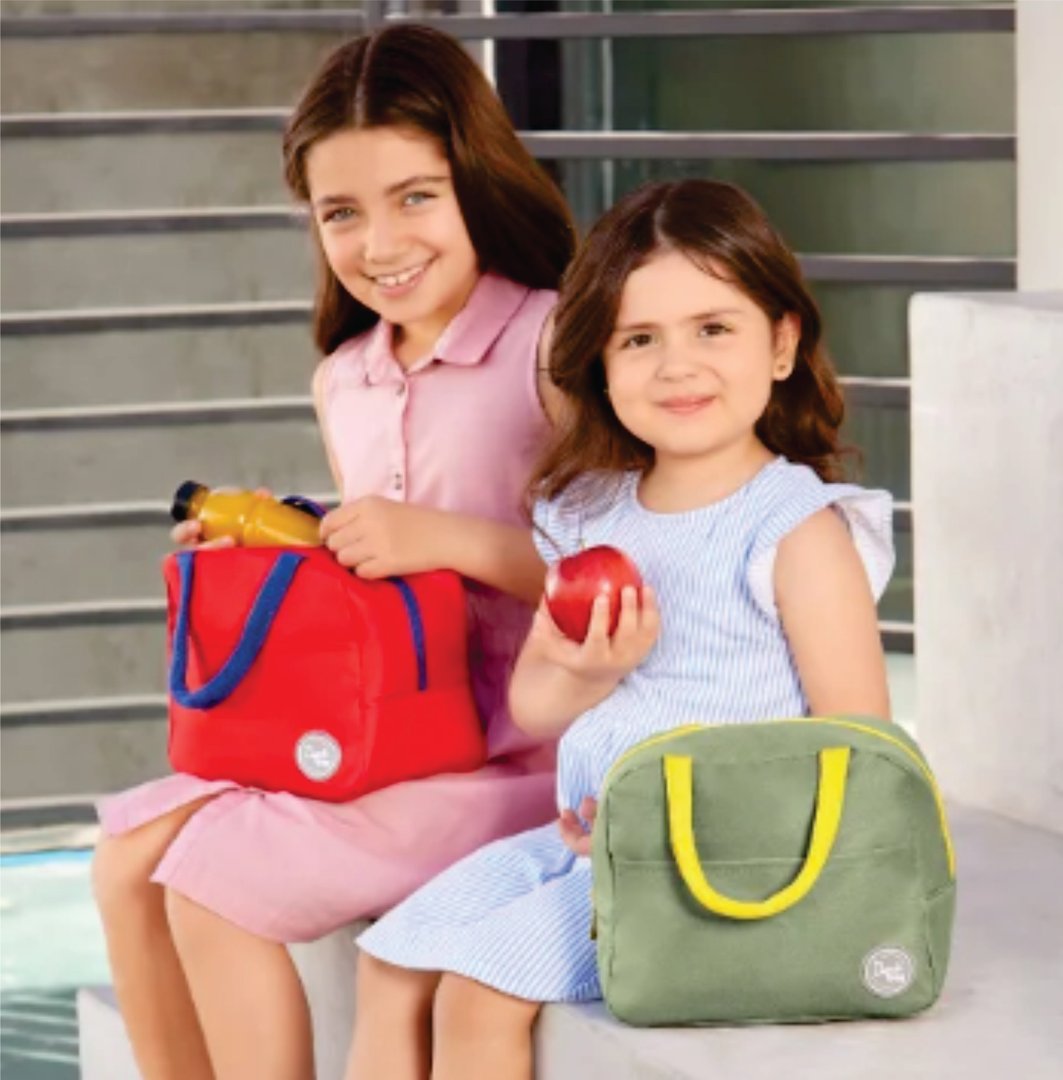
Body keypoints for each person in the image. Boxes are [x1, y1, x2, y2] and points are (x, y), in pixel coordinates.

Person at [91, 25, 575, 1080]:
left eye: (414, 196)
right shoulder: (344, 378)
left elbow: (623, 574)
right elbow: (382, 583)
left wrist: (441, 539)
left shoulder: (553, 343)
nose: (379, 242)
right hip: (384, 737)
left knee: (213, 882)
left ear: (477, 182)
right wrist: (283, 536)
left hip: (522, 758)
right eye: (340, 213)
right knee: (124, 862)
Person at [348, 178, 895, 1080]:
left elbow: (859, 752)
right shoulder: (586, 513)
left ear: (782, 343)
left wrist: (665, 823)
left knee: (475, 998)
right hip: (589, 849)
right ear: (599, 364)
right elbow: (533, 703)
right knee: (387, 961)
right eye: (638, 340)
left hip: (709, 869)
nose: (675, 366)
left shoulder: (797, 532)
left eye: (712, 328)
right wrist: (584, 672)